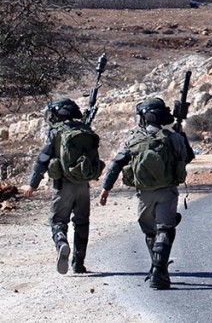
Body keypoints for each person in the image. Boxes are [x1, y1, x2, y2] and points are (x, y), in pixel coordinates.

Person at [99, 97, 194, 290]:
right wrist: (181, 135)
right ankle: (159, 272)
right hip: (167, 191)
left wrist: (106, 188)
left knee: (151, 232)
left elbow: (117, 163)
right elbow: (188, 157)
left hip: (144, 194)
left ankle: (156, 269)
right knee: (165, 229)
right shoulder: (173, 137)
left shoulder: (134, 139)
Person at [21, 98, 104, 274]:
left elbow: (42, 160)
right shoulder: (85, 129)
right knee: (82, 223)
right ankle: (79, 263)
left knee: (58, 221)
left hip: (63, 185)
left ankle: (62, 243)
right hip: (83, 186)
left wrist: (32, 185)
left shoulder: (56, 132)